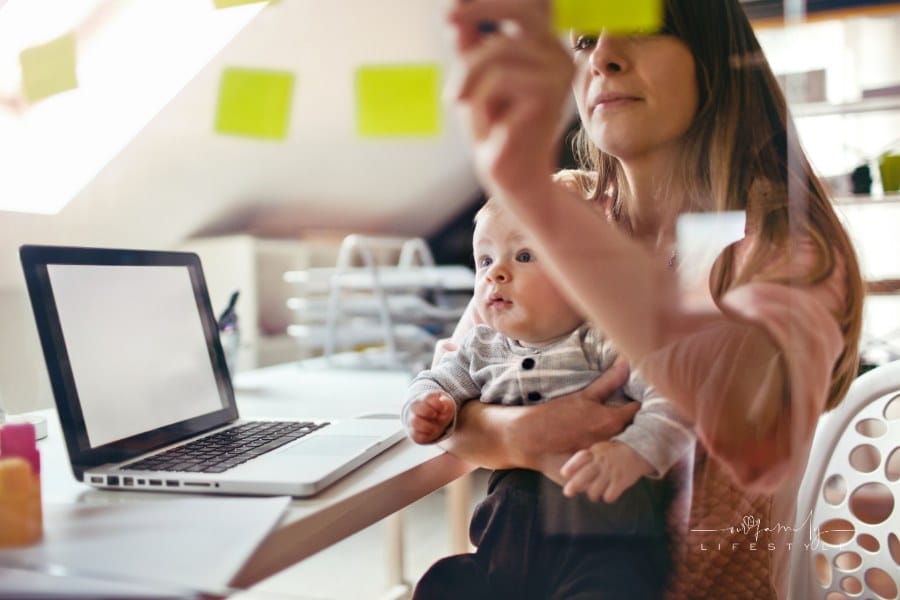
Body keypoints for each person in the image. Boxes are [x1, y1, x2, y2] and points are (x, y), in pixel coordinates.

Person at [417, 0, 865, 598]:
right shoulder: (560, 209)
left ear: (713, 56)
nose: (602, 56)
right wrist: (526, 434)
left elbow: (739, 424)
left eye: (642, 28)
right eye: (581, 42)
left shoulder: (776, 245)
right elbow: (454, 396)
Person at [404, 194, 694, 597]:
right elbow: (435, 382)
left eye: (524, 256)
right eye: (485, 261)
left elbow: (676, 400)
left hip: (603, 547)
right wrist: (425, 408)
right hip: (504, 550)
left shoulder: (605, 344)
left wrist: (633, 451)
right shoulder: (481, 349)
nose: (496, 274)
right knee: (441, 585)